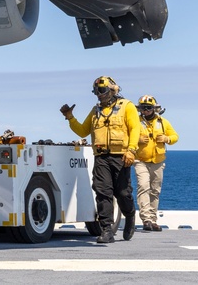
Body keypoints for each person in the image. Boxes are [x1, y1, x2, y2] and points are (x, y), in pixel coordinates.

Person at [60, 76, 140, 244]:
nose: (99, 94)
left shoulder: (127, 107)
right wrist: (70, 117)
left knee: (123, 193)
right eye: (96, 91)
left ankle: (130, 214)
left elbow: (135, 129)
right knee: (103, 192)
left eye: (102, 91)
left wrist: (131, 150)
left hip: (121, 156)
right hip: (101, 157)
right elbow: (83, 131)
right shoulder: (95, 110)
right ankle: (107, 230)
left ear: (112, 90)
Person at [134, 95, 178, 231]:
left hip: (158, 161)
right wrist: (138, 140)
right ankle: (146, 219)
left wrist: (167, 139)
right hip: (140, 160)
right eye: (143, 108)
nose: (145, 110)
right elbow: (126, 136)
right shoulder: (135, 122)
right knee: (143, 187)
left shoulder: (163, 122)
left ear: (154, 108)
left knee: (155, 191)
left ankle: (153, 220)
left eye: (148, 108)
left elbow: (175, 136)